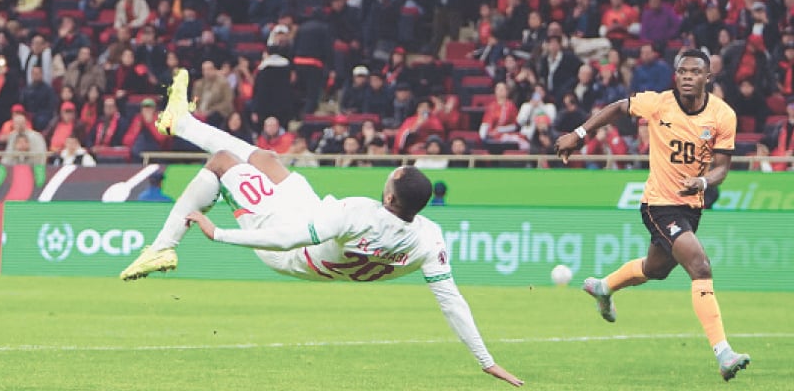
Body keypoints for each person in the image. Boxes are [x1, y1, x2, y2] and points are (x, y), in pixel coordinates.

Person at [120, 69, 523, 387]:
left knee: (223, 161)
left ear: (389, 195)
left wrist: (219, 234)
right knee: (265, 157)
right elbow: (452, 302)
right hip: (312, 220)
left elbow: (286, 239)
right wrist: (486, 361)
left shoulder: (358, 212)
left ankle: (164, 246)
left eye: (393, 174)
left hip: (290, 247)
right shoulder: (428, 238)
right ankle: (182, 122)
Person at [554, 48, 750, 382]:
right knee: (700, 266)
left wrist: (703, 181)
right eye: (682, 71)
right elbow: (617, 108)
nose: (687, 77)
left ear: (708, 77)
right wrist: (579, 134)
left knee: (655, 269)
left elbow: (722, 168)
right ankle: (724, 353)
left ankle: (604, 286)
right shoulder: (659, 103)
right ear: (676, 75)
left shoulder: (722, 115)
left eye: (695, 72)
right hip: (658, 204)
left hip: (691, 205)